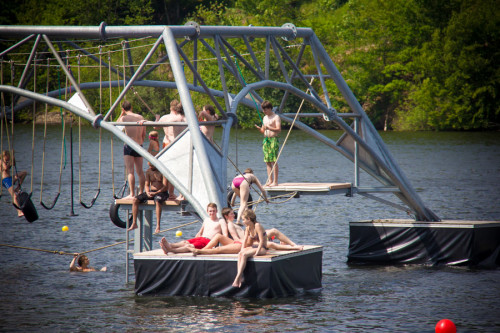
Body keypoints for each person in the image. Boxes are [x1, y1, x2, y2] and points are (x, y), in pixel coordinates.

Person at [191, 207, 302, 256]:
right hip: (241, 243)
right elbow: (234, 238)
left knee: (272, 233)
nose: (234, 215)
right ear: (226, 216)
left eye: (234, 213)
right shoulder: (230, 224)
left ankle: (292, 245)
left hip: (248, 241)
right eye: (231, 214)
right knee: (219, 248)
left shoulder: (238, 224)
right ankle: (202, 251)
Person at [159, 202, 228, 253]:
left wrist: (223, 247)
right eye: (210, 211)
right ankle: (169, 245)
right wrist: (197, 237)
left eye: (214, 211)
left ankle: (171, 250)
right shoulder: (206, 220)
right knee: (185, 242)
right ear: (207, 211)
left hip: (209, 241)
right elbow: (200, 232)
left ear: (217, 211)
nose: (212, 213)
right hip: (200, 238)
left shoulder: (220, 221)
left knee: (190, 246)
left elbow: (225, 235)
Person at [156, 99, 186, 199]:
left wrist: (157, 119)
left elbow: (156, 128)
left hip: (167, 143)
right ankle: (179, 193)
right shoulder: (183, 118)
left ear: (170, 107)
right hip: (179, 144)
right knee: (179, 170)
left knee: (167, 170)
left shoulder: (166, 117)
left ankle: (170, 192)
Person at [128, 162, 170, 233]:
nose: (150, 167)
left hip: (162, 192)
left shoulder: (163, 171)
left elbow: (165, 186)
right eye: (149, 166)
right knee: (135, 200)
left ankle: (158, 226)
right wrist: (147, 192)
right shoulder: (148, 172)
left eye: (152, 166)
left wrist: (156, 193)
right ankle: (134, 223)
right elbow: (146, 185)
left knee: (157, 201)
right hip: (151, 192)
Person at [232, 209, 268, 288]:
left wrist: (256, 253)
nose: (243, 221)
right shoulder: (248, 228)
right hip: (253, 247)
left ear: (249, 219)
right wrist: (242, 250)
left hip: (262, 247)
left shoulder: (257, 225)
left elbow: (261, 241)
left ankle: (237, 278)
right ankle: (240, 276)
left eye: (244, 219)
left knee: (245, 255)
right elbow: (244, 241)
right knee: (241, 253)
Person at [117, 100, 146, 198]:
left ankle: (132, 194)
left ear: (123, 109)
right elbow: (144, 133)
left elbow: (116, 126)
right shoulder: (140, 117)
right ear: (131, 107)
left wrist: (121, 114)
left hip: (129, 145)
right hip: (139, 145)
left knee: (130, 171)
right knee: (140, 171)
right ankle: (142, 192)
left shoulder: (124, 118)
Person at [255, 100, 281, 186]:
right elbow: (263, 130)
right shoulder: (264, 118)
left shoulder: (276, 117)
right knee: (267, 161)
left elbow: (279, 129)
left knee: (273, 160)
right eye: (263, 110)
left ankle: (275, 182)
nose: (264, 111)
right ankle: (270, 180)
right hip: (266, 140)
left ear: (270, 108)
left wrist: (269, 128)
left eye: (265, 110)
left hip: (273, 139)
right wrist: (260, 129)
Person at [1, 150, 27, 217]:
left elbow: (14, 164)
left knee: (24, 173)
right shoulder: (1, 161)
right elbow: (6, 168)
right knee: (14, 196)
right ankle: (19, 212)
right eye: (7, 157)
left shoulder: (7, 161)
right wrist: (9, 161)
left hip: (10, 178)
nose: (8, 158)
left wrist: (13, 156)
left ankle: (18, 187)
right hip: (6, 180)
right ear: (4, 156)